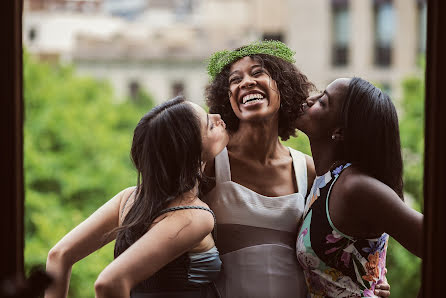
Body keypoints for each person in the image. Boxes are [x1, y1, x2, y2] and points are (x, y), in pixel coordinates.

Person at [203, 40, 390, 298]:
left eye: (258, 73)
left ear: (283, 88)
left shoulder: (310, 171)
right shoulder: (210, 163)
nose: (246, 82)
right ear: (228, 99)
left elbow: (340, 243)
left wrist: (371, 278)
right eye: (235, 80)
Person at [45, 96, 229, 298]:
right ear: (189, 150)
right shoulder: (195, 217)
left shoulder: (128, 200)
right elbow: (109, 283)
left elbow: (58, 256)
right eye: (209, 125)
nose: (218, 117)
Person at [295, 77, 423, 297]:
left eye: (322, 102)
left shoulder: (354, 187)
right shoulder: (325, 180)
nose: (309, 99)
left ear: (340, 131)